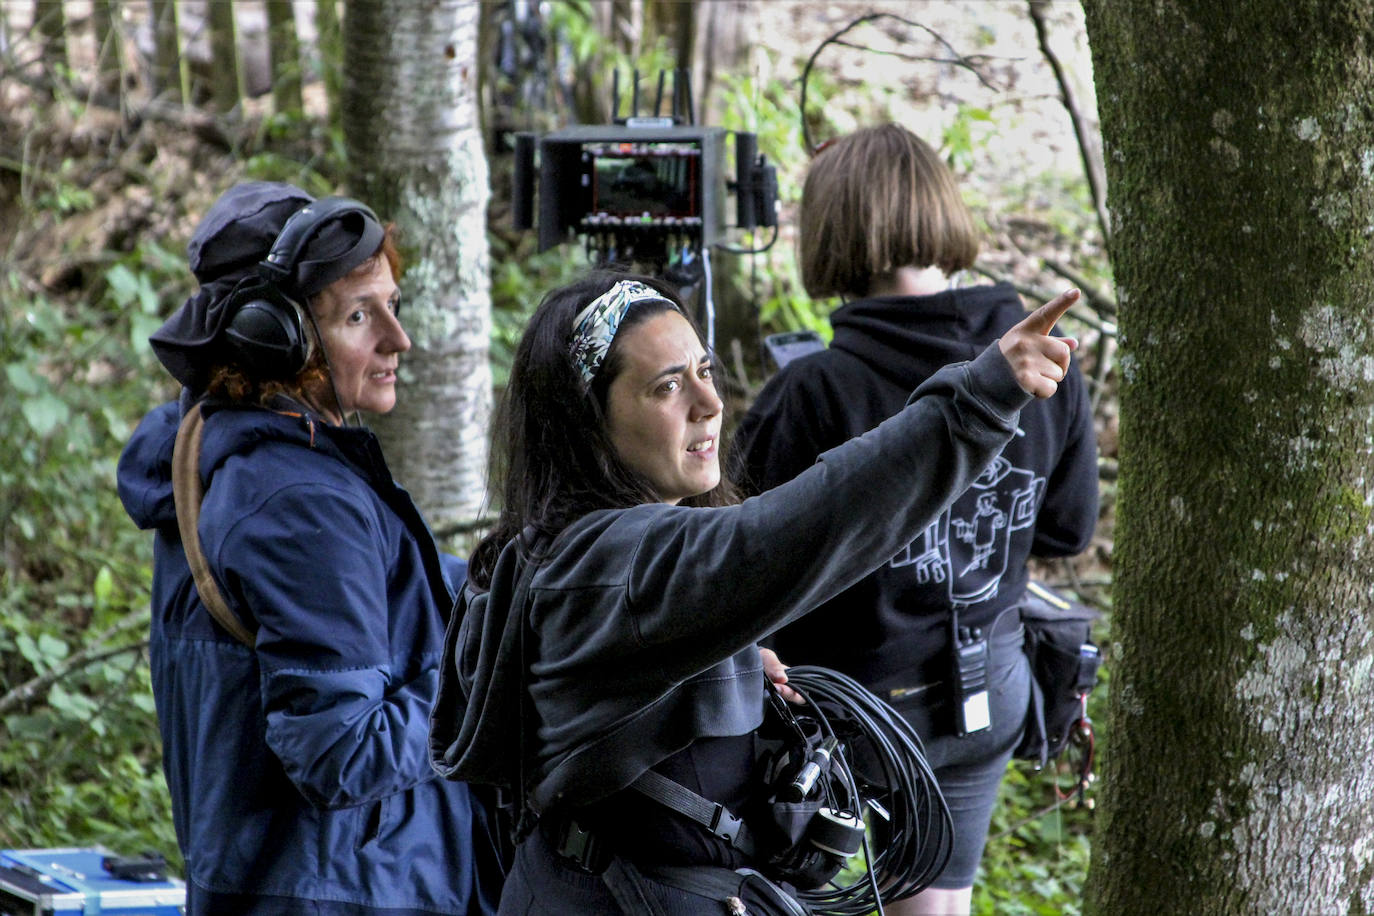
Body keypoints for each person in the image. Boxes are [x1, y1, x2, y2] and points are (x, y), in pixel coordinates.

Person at [428, 269, 1080, 914]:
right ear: (587, 422)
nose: (709, 403)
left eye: (704, 371)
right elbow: (803, 527)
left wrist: (724, 668)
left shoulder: (570, 551)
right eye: (666, 386)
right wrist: (976, 401)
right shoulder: (613, 567)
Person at [732, 124, 1100, 915]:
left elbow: (744, 572)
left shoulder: (814, 391)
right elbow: (1067, 531)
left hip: (855, 712)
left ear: (831, 232)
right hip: (990, 684)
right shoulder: (1043, 360)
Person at [116, 181, 505, 915]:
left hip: (289, 886)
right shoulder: (299, 502)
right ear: (274, 335)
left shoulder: (215, 455)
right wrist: (486, 673)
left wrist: (499, 588)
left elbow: (366, 605)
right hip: (358, 894)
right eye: (359, 315)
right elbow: (343, 752)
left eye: (393, 305)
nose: (397, 339)